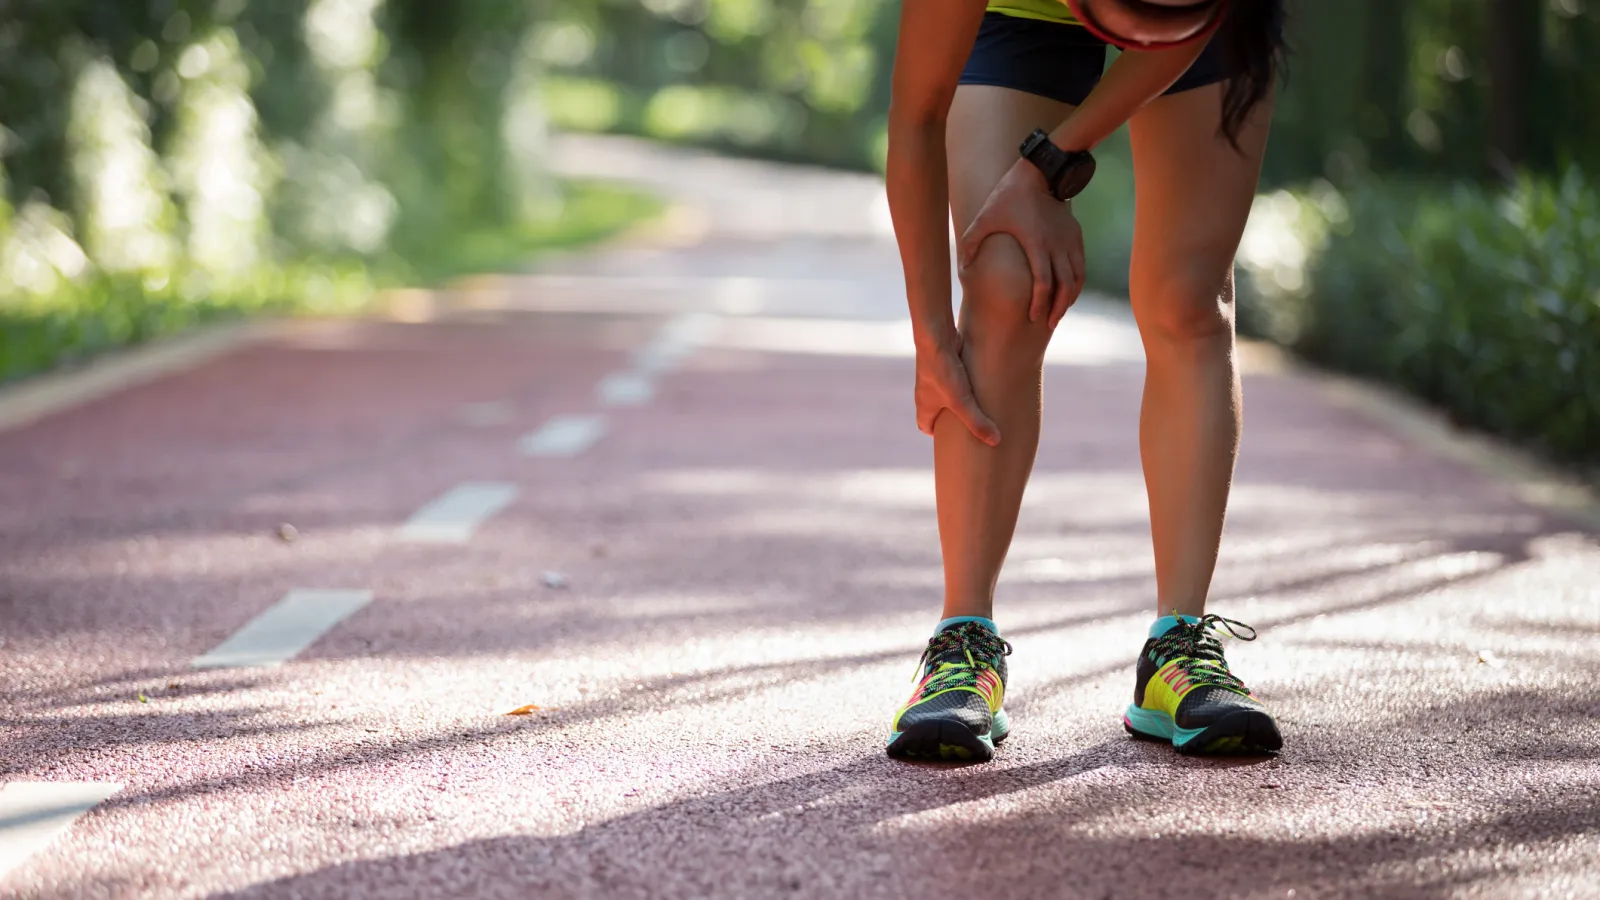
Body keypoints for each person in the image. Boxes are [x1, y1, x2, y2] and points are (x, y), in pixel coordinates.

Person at [884, 0, 1287, 761]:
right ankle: (962, 641)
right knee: (1006, 277)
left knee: (1188, 301)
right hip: (1019, 14)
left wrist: (1048, 164)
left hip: (1208, 23)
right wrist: (932, 339)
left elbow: (1184, 28)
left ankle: (1178, 646)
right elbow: (915, 116)